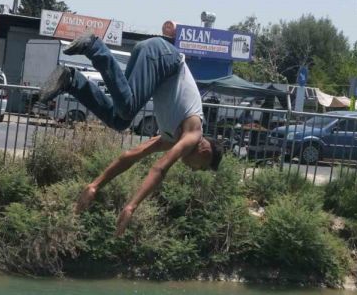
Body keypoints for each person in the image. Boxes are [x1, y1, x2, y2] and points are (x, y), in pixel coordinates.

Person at [40, 33, 223, 236]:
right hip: (163, 57)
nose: (193, 169)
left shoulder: (171, 138)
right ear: (205, 152)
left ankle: (72, 81)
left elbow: (131, 156)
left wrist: (95, 185)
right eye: (199, 168)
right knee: (127, 110)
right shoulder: (192, 134)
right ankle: (94, 47)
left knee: (120, 120)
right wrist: (131, 206)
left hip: (154, 57)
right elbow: (160, 169)